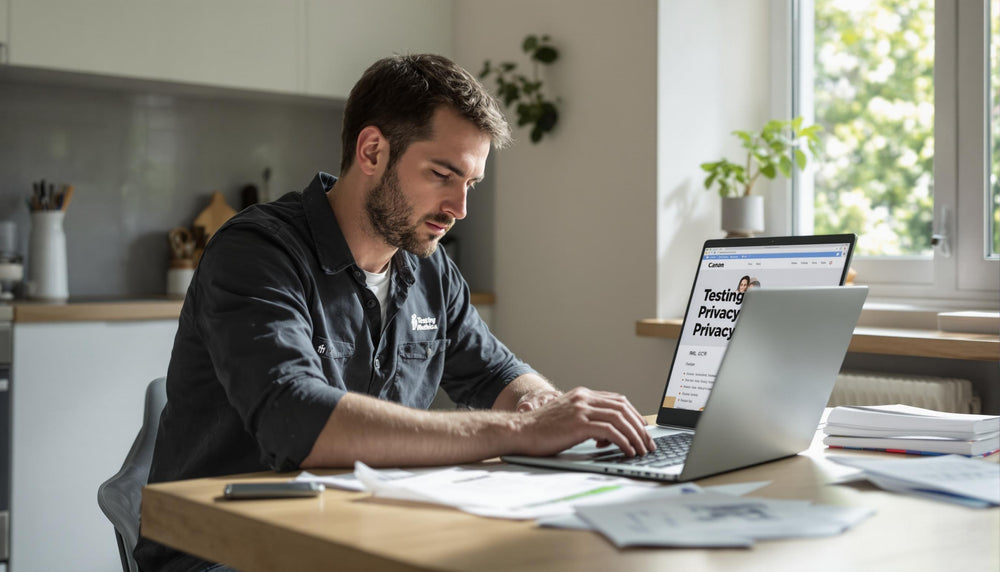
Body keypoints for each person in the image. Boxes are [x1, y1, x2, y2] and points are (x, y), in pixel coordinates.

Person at [134, 54, 654, 572]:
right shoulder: (256, 252)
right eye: (442, 174)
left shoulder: (431, 269)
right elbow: (298, 420)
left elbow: (495, 372)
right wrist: (523, 432)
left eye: (469, 184)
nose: (459, 208)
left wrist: (552, 410)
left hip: (361, 538)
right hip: (223, 554)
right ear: (372, 151)